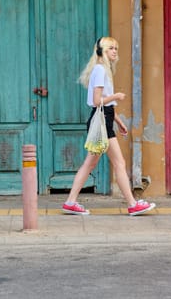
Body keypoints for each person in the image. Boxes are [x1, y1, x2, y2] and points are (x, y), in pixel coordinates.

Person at [62, 36, 156, 216]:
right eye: (111, 48)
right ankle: (132, 204)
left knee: (91, 164)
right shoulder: (100, 71)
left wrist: (119, 122)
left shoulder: (103, 70)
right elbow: (98, 102)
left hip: (105, 121)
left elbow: (106, 107)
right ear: (102, 52)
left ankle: (71, 202)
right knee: (117, 163)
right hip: (101, 122)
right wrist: (116, 96)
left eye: (116, 48)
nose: (115, 51)